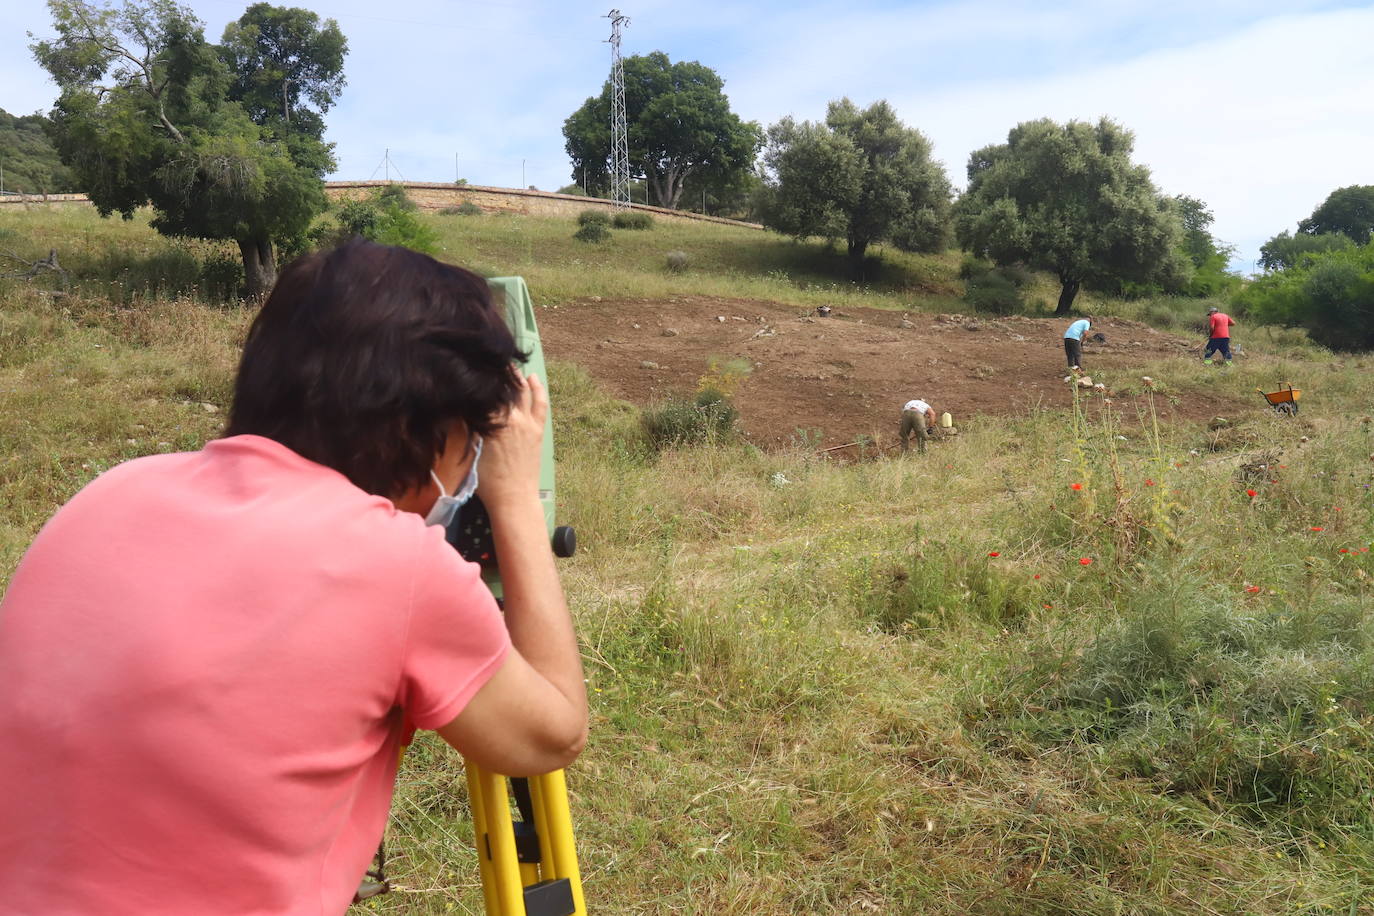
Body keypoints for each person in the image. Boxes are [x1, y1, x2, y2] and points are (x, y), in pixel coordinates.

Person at [0, 240, 588, 915]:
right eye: (473, 443)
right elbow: (551, 734)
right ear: (432, 428)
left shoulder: (106, 495)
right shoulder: (394, 564)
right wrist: (513, 499)